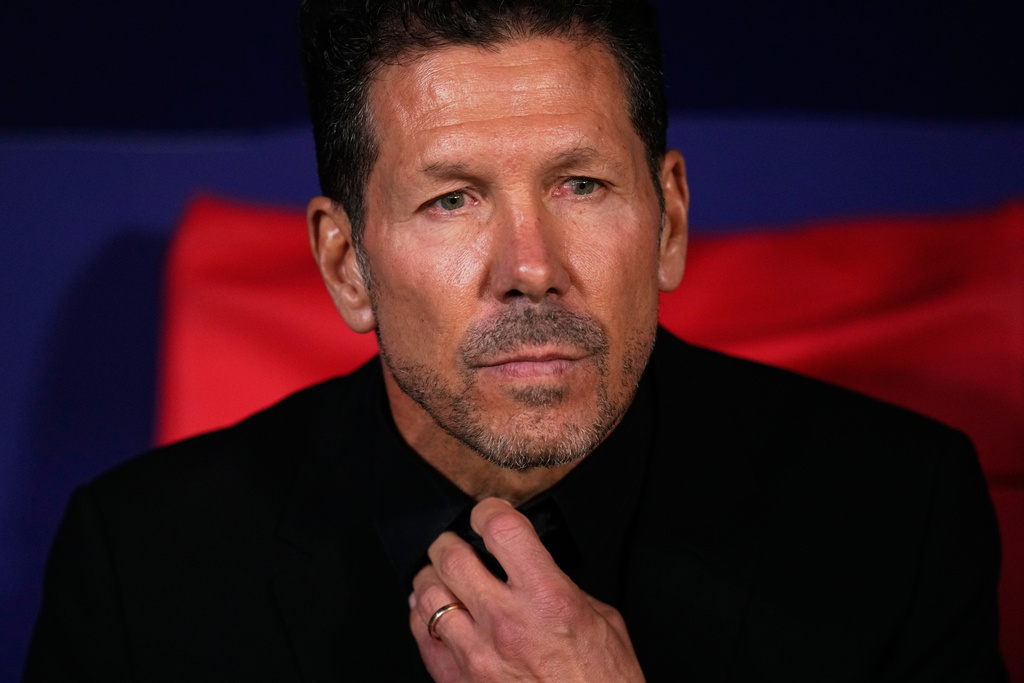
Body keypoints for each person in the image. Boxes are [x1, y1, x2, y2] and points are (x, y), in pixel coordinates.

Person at [25, 0, 1006, 680]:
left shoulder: (897, 517)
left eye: (579, 184)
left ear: (667, 221)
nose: (530, 265)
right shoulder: (138, 566)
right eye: (451, 199)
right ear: (344, 265)